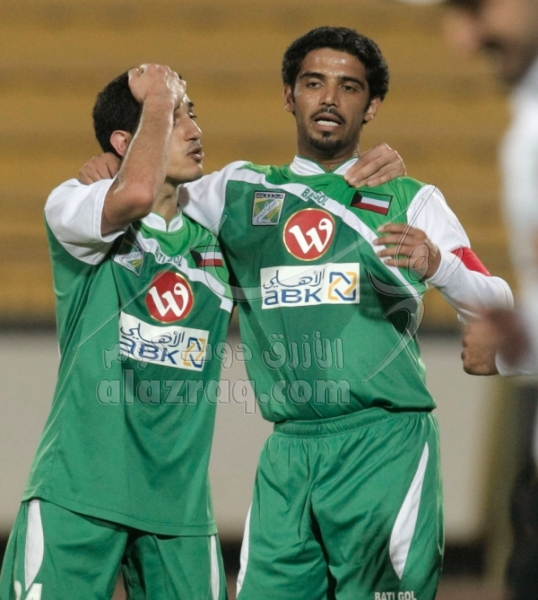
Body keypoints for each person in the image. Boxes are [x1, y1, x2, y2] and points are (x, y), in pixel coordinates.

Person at [79, 27, 513, 600]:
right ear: (289, 95)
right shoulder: (235, 191)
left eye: (349, 87)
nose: (329, 98)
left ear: (372, 106)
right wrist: (104, 174)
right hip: (288, 454)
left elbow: (499, 310)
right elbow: (144, 192)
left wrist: (440, 266)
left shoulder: (413, 199)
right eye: (313, 83)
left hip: (385, 446)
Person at [0, 64, 234, 599]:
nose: (195, 130)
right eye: (175, 118)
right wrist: (155, 98)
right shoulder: (74, 203)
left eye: (192, 114)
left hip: (181, 510)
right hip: (78, 493)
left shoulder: (219, 234)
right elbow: (134, 195)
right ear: (125, 141)